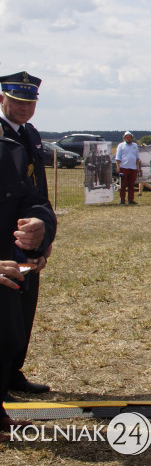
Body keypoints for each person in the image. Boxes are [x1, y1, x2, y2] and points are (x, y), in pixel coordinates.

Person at [0, 71, 53, 396]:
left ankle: (13, 371)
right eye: (17, 101)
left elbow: (38, 190)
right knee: (5, 312)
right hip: (5, 235)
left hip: (27, 232)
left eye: (29, 102)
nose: (24, 108)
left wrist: (44, 237)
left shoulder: (29, 134)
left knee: (24, 305)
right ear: (2, 99)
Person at [0, 133, 57, 433]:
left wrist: (40, 231)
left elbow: (34, 202)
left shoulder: (11, 154)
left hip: (7, 272)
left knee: (8, 336)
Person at [115, 131, 141, 205]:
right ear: (124, 138)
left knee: (131, 186)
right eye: (127, 137)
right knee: (123, 185)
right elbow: (118, 158)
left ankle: (131, 200)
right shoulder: (121, 146)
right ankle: (122, 200)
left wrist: (137, 166)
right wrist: (118, 167)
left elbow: (137, 157)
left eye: (130, 137)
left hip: (133, 168)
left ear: (132, 138)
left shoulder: (135, 145)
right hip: (124, 168)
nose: (128, 138)